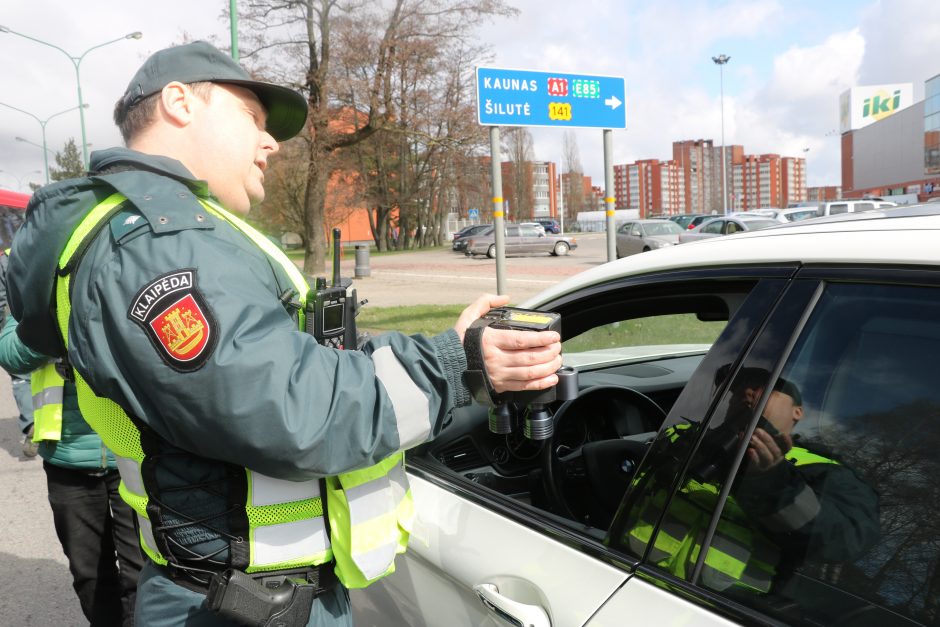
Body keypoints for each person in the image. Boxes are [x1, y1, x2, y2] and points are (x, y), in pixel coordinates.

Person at [7, 41, 561, 627]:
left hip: (251, 595)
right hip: (239, 605)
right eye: (252, 118)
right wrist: (454, 365)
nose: (271, 142)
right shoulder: (159, 245)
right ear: (178, 103)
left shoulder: (174, 234)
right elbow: (292, 410)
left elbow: (294, 362)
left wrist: (450, 350)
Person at [624, 369, 879, 595]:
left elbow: (844, 542)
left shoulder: (822, 470)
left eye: (766, 389)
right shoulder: (683, 437)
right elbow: (625, 499)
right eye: (738, 390)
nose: (747, 392)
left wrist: (772, 482)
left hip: (724, 610)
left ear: (797, 412)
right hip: (629, 580)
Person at [0, 312, 143, 625]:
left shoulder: (123, 280)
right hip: (67, 458)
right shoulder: (43, 286)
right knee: (89, 576)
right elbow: (9, 351)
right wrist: (55, 326)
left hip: (132, 453)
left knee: (142, 573)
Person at [0, 249, 35, 457]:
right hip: (49, 323)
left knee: (21, 378)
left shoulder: (6, 258)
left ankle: (31, 422)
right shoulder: (46, 243)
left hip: (17, 328)